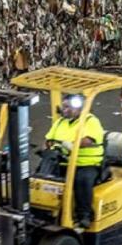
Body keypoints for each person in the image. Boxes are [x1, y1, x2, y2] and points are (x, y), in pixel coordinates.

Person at [44, 93, 105, 228]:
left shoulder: (90, 121)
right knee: (43, 177)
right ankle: (46, 211)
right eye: (64, 107)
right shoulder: (60, 122)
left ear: (79, 108)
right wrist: (49, 146)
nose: (65, 110)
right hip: (64, 161)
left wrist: (72, 145)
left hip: (87, 164)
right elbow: (49, 139)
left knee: (81, 180)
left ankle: (84, 215)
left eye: (68, 107)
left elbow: (89, 140)